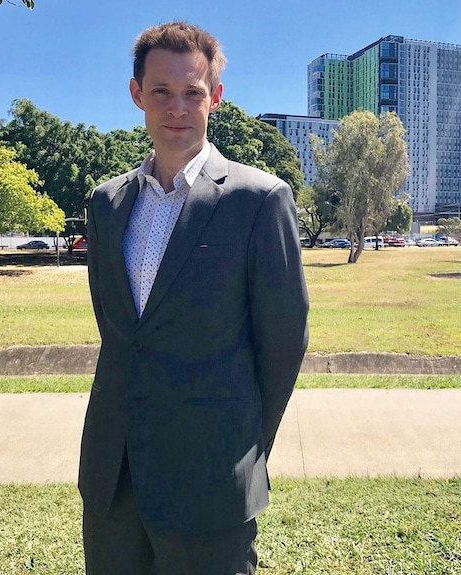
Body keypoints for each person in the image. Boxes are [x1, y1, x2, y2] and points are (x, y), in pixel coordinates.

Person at [78, 21, 309, 575]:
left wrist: (244, 449)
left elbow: (283, 343)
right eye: (161, 91)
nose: (177, 107)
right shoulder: (106, 204)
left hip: (211, 479)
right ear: (137, 94)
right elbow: (117, 333)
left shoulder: (260, 200)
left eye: (193, 92)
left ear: (216, 98)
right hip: (114, 476)